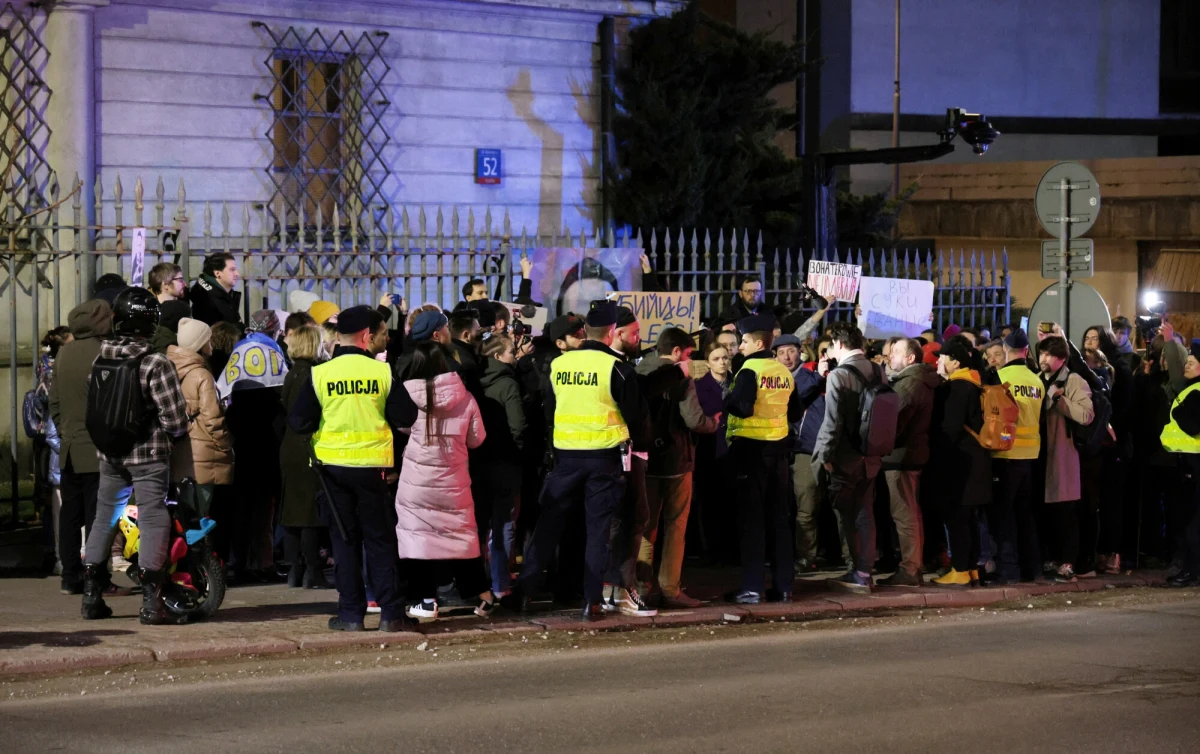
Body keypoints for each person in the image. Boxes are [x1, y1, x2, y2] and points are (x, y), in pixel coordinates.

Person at [517, 300, 650, 621]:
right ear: (610, 333)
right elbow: (637, 417)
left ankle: (523, 594)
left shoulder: (559, 366)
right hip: (604, 459)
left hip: (565, 458)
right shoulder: (616, 368)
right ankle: (591, 602)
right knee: (598, 531)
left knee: (548, 527)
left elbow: (549, 411)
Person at [288, 305, 413, 632]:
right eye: (381, 332)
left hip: (332, 473)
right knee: (380, 541)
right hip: (373, 470)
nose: (384, 337)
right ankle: (391, 614)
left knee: (343, 542)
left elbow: (299, 422)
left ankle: (351, 614)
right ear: (365, 336)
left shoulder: (320, 374)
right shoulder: (381, 373)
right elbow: (407, 417)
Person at [81, 287, 190, 624]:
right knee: (153, 517)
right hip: (148, 456)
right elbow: (174, 420)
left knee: (105, 518)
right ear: (150, 323)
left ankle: (91, 597)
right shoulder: (155, 362)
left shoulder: (100, 358)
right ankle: (151, 602)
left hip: (109, 454)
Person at [392, 341, 496, 621]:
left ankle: (426, 601)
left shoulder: (406, 393)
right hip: (454, 480)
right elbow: (477, 439)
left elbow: (401, 426)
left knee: (418, 539)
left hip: (417, 483)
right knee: (460, 536)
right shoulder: (465, 396)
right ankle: (484, 595)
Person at [635, 327, 719, 608]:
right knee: (675, 527)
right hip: (675, 461)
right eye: (686, 354)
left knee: (645, 526)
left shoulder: (638, 371)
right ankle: (670, 588)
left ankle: (640, 587)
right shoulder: (680, 377)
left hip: (643, 460)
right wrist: (714, 422)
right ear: (675, 352)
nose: (688, 360)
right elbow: (694, 420)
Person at [724, 313, 803, 604]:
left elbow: (742, 408)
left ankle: (752, 588)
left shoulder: (749, 371)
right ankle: (783, 587)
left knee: (752, 523)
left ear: (757, 343)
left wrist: (727, 399)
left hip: (750, 454)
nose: (739, 348)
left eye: (743, 342)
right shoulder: (783, 372)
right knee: (780, 522)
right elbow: (794, 413)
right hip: (779, 455)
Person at [814, 321, 884, 594]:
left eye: (832, 345)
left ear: (840, 344)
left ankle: (857, 572)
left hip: (845, 457)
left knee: (846, 515)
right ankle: (864, 570)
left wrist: (824, 456)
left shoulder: (839, 376)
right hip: (871, 455)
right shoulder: (878, 370)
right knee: (865, 514)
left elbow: (832, 423)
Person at [49, 299, 111, 595]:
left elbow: (55, 401)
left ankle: (70, 576)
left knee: (71, 516)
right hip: (98, 449)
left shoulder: (64, 352)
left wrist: (66, 430)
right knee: (99, 517)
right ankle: (96, 578)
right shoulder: (105, 351)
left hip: (71, 447)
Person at [928, 338, 993, 587]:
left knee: (957, 518)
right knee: (970, 518)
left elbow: (950, 429)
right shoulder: (976, 382)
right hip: (978, 460)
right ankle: (973, 569)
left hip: (959, 464)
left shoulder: (956, 387)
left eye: (942, 357)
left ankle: (960, 570)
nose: (938, 361)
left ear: (955, 362)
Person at [985, 329, 1046, 585]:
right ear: (1026, 351)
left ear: (1008, 351)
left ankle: (1008, 570)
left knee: (1003, 516)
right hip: (1030, 456)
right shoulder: (1037, 381)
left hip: (1004, 455)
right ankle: (1034, 569)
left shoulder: (999, 377)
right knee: (1025, 515)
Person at [879, 337, 939, 587]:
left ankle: (910, 568)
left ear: (911, 358)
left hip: (901, 456)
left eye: (895, 352)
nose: (889, 357)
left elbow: (893, 422)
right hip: (909, 455)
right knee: (910, 513)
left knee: (904, 514)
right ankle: (913, 565)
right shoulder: (917, 381)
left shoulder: (909, 384)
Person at [1037, 333, 1094, 583]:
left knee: (1065, 511)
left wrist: (1061, 400)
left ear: (1062, 359)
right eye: (1042, 353)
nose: (1043, 359)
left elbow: (1086, 415)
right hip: (1039, 453)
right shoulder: (1037, 379)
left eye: (1049, 355)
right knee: (1045, 510)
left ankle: (1068, 561)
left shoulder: (1073, 380)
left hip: (1062, 453)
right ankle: (1051, 557)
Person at [165, 318, 233, 524]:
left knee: (185, 514)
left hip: (179, 450)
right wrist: (226, 444)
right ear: (199, 343)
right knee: (200, 518)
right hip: (203, 453)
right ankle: (197, 556)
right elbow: (212, 418)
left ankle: (184, 554)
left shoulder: (168, 368)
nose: (210, 345)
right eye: (207, 340)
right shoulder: (202, 374)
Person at [277, 324, 330, 589]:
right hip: (309, 445)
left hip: (288, 446)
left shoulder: (291, 374)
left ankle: (294, 570)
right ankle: (313, 571)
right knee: (310, 513)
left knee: (291, 511)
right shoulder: (314, 375)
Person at [477, 333, 526, 600]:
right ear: (498, 357)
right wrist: (517, 450)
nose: (514, 356)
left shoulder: (476, 380)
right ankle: (500, 584)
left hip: (480, 461)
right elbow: (517, 425)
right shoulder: (508, 383)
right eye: (511, 352)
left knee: (481, 525)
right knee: (504, 523)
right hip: (505, 463)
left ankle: (481, 584)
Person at [1160, 342, 1200, 587]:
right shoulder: (1191, 389)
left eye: (1192, 363)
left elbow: (1192, 425)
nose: (1187, 365)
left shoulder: (1196, 392)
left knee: (1192, 524)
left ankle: (1191, 571)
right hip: (1188, 464)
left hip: (1195, 464)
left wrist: (1177, 413)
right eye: (1187, 362)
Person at [693, 341, 736, 563]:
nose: (722, 362)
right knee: (710, 501)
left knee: (732, 501)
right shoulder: (700, 387)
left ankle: (729, 548)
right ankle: (711, 549)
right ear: (708, 363)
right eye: (716, 359)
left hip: (733, 450)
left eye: (725, 358)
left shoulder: (737, 383)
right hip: (710, 450)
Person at [190, 252, 243, 329]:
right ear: (218, 273)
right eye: (232, 270)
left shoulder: (216, 294)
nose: (237, 274)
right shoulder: (209, 300)